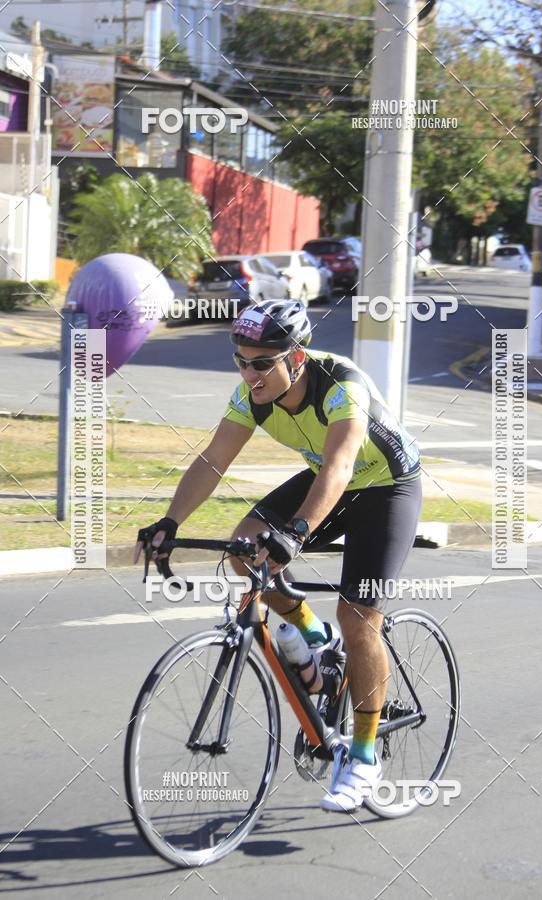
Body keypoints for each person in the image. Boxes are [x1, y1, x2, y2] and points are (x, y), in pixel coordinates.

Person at [134, 299, 421, 813]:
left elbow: (339, 465)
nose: (250, 373)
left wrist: (297, 533)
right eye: (241, 360)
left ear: (297, 359)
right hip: (330, 478)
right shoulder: (253, 394)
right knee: (246, 548)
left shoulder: (342, 387)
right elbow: (213, 460)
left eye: (262, 362)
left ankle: (363, 756)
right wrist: (170, 522)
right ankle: (313, 637)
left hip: (385, 488)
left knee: (359, 620)